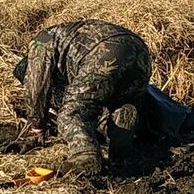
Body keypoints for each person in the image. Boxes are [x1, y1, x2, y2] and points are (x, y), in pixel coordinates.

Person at [13, 19, 153, 175]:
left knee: (71, 113)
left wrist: (37, 126)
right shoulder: (62, 37)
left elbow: (37, 89)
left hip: (103, 53)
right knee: (115, 104)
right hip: (139, 50)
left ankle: (84, 154)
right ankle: (120, 119)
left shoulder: (40, 43)